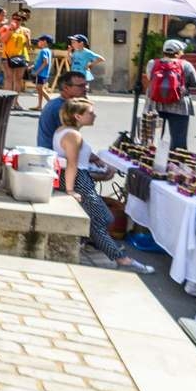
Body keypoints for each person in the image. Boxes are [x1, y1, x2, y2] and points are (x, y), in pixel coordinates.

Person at [55, 98, 153, 274]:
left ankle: (86, 242)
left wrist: (95, 159)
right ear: (78, 116)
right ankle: (121, 258)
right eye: (90, 113)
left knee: (101, 219)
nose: (95, 115)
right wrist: (70, 190)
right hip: (79, 180)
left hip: (78, 178)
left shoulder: (66, 131)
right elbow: (72, 163)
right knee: (101, 220)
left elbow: (77, 153)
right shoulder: (73, 135)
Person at [143, 39, 196, 151]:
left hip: (155, 103)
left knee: (152, 138)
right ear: (178, 52)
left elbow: (150, 78)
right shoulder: (185, 65)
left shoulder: (152, 63)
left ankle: (150, 161)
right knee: (179, 140)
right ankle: (176, 162)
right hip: (179, 105)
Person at [36, 71, 89, 150]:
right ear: (66, 88)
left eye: (86, 85)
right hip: (55, 156)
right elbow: (69, 142)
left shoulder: (59, 103)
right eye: (81, 86)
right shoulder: (62, 108)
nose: (86, 89)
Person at [2, 11, 33, 110]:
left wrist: (28, 39)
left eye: (18, 19)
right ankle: (7, 101)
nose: (15, 20)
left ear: (22, 21)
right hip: (7, 56)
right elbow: (2, 40)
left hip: (21, 57)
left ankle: (16, 102)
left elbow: (28, 47)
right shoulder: (7, 28)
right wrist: (11, 30)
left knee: (18, 79)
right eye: (14, 18)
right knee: (8, 78)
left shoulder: (26, 30)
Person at [29, 34, 55, 109]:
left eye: (39, 41)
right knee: (39, 89)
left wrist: (37, 72)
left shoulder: (44, 51)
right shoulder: (47, 51)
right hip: (42, 73)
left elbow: (45, 62)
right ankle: (39, 105)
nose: (38, 42)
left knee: (40, 89)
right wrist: (32, 66)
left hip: (41, 74)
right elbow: (39, 62)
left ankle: (52, 103)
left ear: (45, 42)